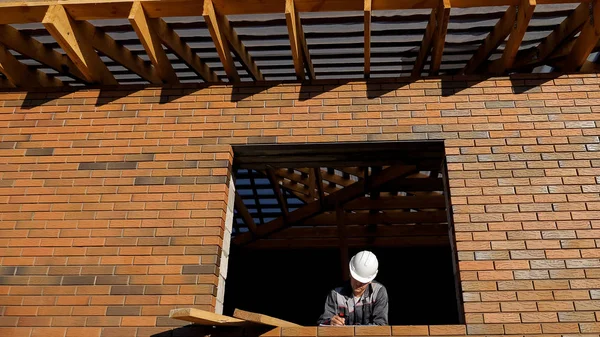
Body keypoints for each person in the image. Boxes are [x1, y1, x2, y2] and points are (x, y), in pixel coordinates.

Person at [317, 250, 389, 326]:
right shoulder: (336, 294)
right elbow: (322, 324)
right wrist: (330, 322)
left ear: (370, 280)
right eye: (355, 279)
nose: (358, 284)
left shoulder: (378, 292)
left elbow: (381, 325)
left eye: (362, 282)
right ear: (350, 273)